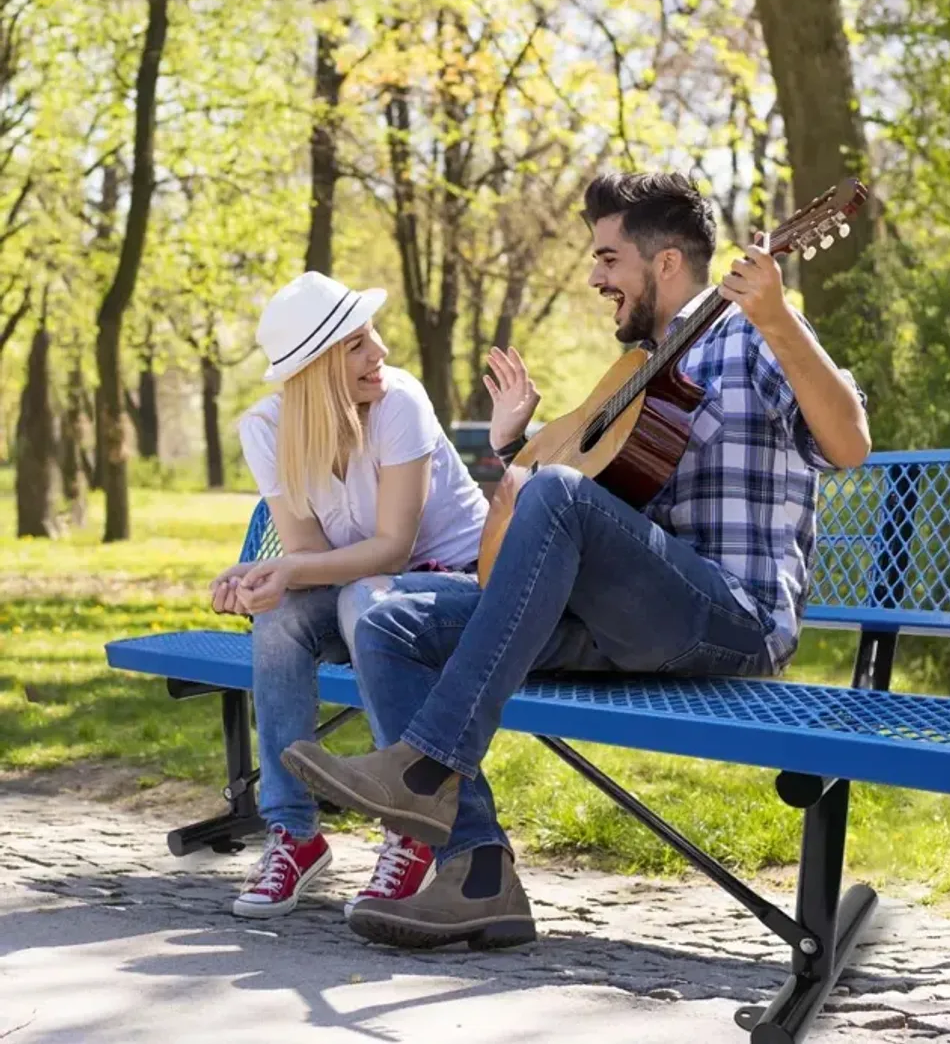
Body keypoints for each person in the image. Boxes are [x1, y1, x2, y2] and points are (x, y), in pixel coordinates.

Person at [280, 173, 872, 949]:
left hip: (733, 618)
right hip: (628, 621)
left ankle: (423, 769)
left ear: (664, 263)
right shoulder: (641, 369)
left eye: (607, 258)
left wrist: (780, 316)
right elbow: (583, 494)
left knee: (556, 495)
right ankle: (478, 870)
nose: (595, 279)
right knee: (391, 620)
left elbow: (851, 443)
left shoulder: (748, 332)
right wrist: (512, 452)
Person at [210, 270, 489, 920]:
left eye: (374, 336)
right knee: (281, 614)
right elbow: (306, 557)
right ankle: (295, 833)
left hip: (455, 585)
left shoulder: (400, 403)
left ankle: (410, 823)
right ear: (316, 366)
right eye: (358, 344)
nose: (381, 352)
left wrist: (292, 569)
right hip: (364, 590)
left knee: (364, 599)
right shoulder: (267, 428)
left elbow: (394, 547)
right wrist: (259, 575)